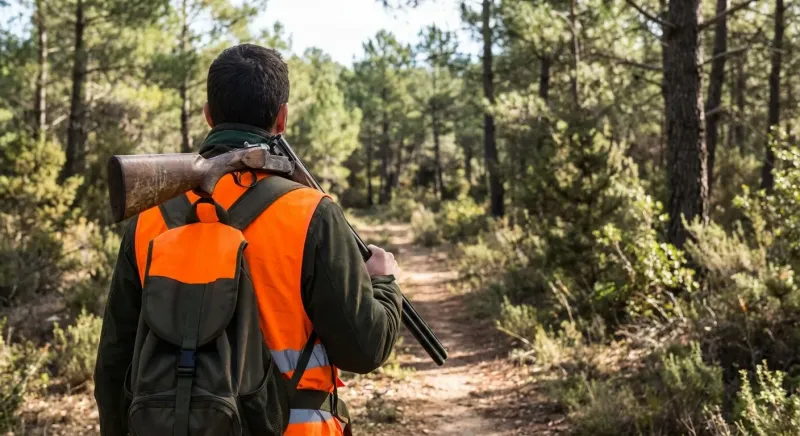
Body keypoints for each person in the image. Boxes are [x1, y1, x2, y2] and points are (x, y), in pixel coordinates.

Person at [94, 43, 404, 436]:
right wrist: (382, 282)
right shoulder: (312, 212)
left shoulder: (149, 218)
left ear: (208, 115)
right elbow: (364, 349)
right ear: (282, 118)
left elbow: (113, 364)